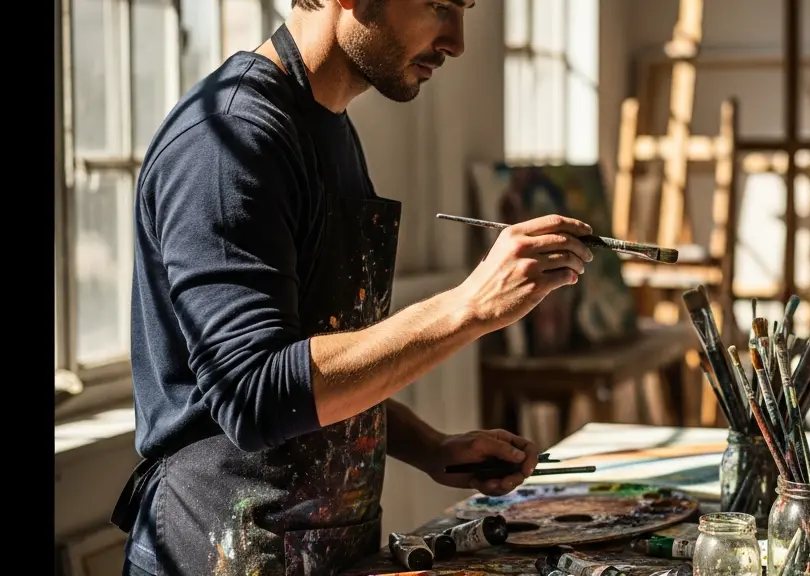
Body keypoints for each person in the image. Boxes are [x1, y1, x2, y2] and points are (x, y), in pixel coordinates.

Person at [112, 1, 594, 575]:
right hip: (213, 557)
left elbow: (320, 358)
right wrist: (470, 306)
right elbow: (256, 392)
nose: (457, 41)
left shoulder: (328, 126)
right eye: (439, 5)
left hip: (329, 554)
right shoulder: (229, 142)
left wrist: (430, 447)